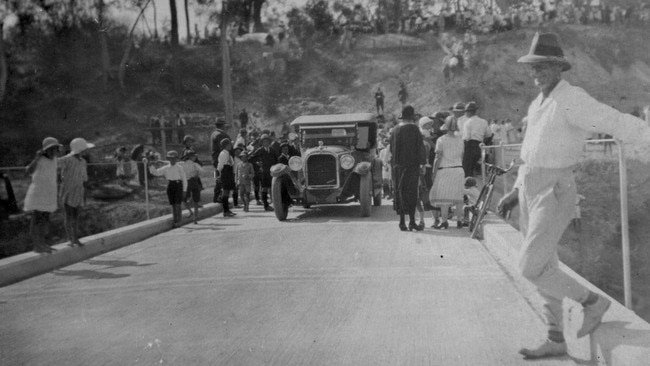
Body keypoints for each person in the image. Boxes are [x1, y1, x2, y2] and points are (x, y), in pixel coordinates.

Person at [496, 32, 650, 359]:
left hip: (555, 189)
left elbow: (613, 120)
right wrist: (515, 190)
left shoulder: (572, 98)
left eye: (544, 66)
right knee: (544, 265)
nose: (537, 72)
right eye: (533, 66)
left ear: (558, 67)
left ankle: (593, 302)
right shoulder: (538, 102)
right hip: (530, 188)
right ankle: (555, 337)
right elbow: (530, 153)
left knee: (529, 265)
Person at [390, 105, 425, 231]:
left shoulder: (394, 130)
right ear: (412, 117)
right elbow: (420, 147)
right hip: (412, 166)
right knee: (411, 193)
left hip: (397, 167)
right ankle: (411, 221)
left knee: (399, 192)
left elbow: (391, 149)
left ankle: (401, 222)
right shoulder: (415, 129)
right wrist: (422, 164)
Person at [24, 137, 62, 253]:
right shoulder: (40, 159)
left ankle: (43, 243)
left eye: (55, 149)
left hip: (49, 192)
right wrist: (36, 158)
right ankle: (37, 245)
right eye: (50, 149)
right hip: (39, 192)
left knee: (45, 219)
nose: (53, 151)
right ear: (45, 150)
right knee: (37, 218)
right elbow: (29, 171)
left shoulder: (54, 159)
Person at [429, 116, 465, 229]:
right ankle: (459, 220)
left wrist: (434, 172)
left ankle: (444, 221)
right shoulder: (461, 140)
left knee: (444, 197)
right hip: (458, 169)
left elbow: (438, 157)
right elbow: (462, 156)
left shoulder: (441, 140)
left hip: (445, 169)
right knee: (458, 196)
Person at [59, 137, 94, 246]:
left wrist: (84, 193)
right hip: (68, 191)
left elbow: (84, 179)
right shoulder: (67, 159)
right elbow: (57, 165)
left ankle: (75, 237)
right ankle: (70, 238)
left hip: (78, 190)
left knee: (76, 215)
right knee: (69, 215)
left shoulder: (83, 162)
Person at [149, 150, 188, 227]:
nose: (172, 160)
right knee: (173, 204)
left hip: (178, 185)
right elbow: (156, 172)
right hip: (171, 185)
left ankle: (179, 221)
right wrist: (151, 165)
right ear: (168, 159)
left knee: (178, 204)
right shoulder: (166, 168)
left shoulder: (179, 167)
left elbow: (184, 179)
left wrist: (184, 190)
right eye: (170, 158)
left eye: (174, 158)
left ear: (176, 159)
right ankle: (175, 220)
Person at [461, 101, 492, 177]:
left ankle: (467, 186)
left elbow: (467, 137)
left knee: (467, 169)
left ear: (469, 112)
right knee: (473, 168)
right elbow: (489, 134)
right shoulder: (483, 121)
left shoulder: (468, 122)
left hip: (470, 146)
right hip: (479, 146)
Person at [249, 134, 278, 211]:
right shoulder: (260, 150)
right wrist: (257, 163)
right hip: (264, 172)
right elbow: (251, 159)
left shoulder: (272, 150)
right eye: (264, 141)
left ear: (269, 142)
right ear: (262, 142)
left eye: (267, 141)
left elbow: (276, 160)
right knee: (264, 189)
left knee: (273, 188)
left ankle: (275, 204)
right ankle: (266, 205)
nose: (266, 143)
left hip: (272, 172)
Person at [210, 118, 230, 203]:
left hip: (215, 159)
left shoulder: (214, 133)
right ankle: (218, 196)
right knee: (222, 179)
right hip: (221, 159)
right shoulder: (221, 135)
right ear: (222, 126)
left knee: (218, 177)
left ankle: (217, 196)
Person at [181, 151, 204, 224]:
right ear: (191, 157)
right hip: (194, 181)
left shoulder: (181, 164)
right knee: (196, 201)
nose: (195, 157)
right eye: (194, 156)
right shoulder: (195, 164)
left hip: (186, 183)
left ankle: (190, 211)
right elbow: (202, 171)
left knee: (183, 199)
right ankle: (195, 219)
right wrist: (197, 174)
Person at [217, 139, 237, 217]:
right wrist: (217, 176)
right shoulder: (222, 154)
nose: (230, 146)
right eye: (229, 145)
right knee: (225, 191)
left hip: (229, 172)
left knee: (227, 191)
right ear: (225, 145)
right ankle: (225, 210)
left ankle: (227, 209)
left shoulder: (228, 153)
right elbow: (220, 166)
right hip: (225, 173)